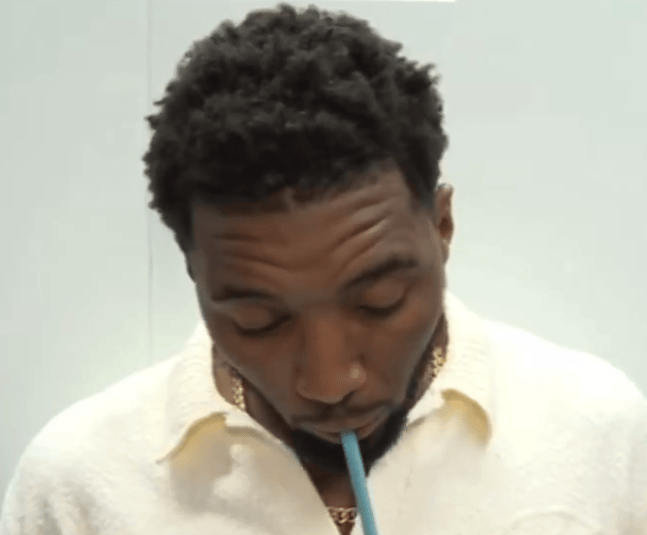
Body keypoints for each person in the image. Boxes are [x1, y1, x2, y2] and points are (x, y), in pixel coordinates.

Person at [2, 3, 646, 534]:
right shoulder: (78, 486)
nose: (330, 381)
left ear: (443, 226)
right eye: (259, 321)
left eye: (380, 302)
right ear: (195, 272)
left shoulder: (598, 437)